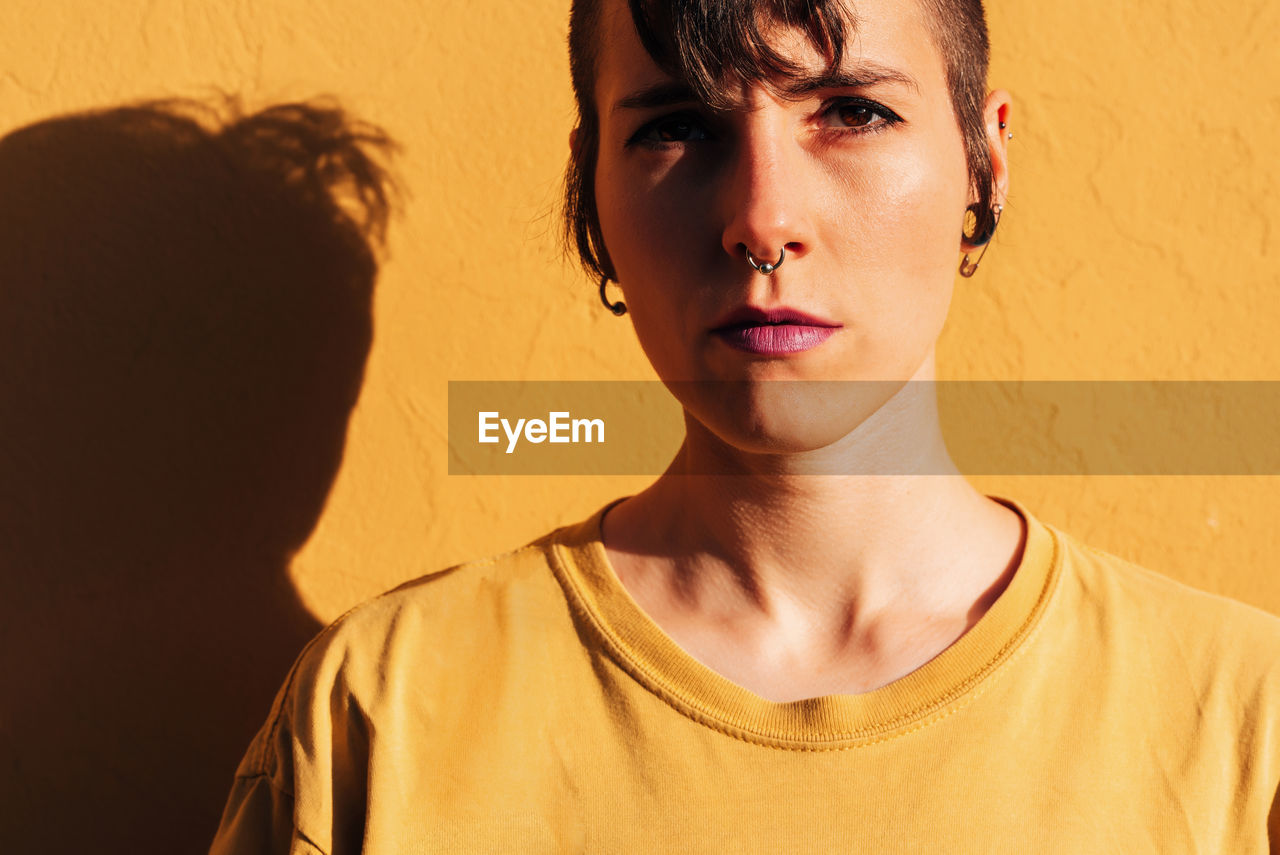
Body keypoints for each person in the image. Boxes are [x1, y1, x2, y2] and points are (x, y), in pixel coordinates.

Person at [210, 0, 1280, 852]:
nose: (762, 219)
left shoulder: (1243, 723)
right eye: (678, 126)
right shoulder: (385, 713)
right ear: (589, 190)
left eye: (851, 110)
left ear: (982, 161)